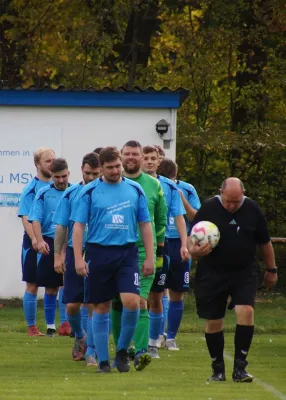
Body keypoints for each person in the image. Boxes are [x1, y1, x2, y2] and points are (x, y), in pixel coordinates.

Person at [71, 146, 154, 373]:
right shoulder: (89, 192)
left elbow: (145, 225)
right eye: (110, 168)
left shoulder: (135, 189)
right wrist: (78, 258)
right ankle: (104, 361)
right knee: (101, 306)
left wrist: (150, 257)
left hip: (127, 253)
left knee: (132, 302)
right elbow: (78, 227)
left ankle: (122, 351)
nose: (116, 171)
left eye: (118, 166)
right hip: (98, 252)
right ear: (101, 169)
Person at [187, 177, 278, 382]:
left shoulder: (252, 209)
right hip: (212, 273)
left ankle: (240, 368)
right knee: (214, 322)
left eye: (236, 202)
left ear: (243, 195)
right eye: (228, 201)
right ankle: (217, 369)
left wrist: (271, 269)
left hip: (243, 272)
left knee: (245, 311)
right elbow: (191, 239)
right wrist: (194, 251)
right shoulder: (209, 208)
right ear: (221, 192)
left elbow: (265, 242)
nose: (231, 206)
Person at [111, 141, 167, 371]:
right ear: (121, 156)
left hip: (143, 252)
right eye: (127, 154)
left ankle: (142, 351)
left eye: (136, 154)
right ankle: (122, 349)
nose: (132, 157)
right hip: (114, 251)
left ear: (143, 157)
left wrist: (157, 255)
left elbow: (161, 221)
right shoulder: (112, 184)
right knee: (117, 302)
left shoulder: (154, 185)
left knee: (140, 300)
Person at [142, 146, 190, 359]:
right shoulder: (131, 184)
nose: (150, 161)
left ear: (158, 162)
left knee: (156, 295)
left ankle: (155, 343)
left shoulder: (169, 187)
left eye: (153, 158)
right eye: (146, 158)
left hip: (163, 247)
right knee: (135, 298)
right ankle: (137, 341)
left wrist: (183, 243)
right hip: (137, 246)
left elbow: (179, 216)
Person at [53, 153, 101, 365]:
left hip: (99, 251)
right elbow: (62, 226)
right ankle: (80, 336)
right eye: (88, 173)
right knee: (72, 305)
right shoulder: (72, 193)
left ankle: (92, 349)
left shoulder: (106, 192)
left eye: (95, 173)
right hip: (74, 252)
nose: (91, 177)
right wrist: (58, 255)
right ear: (81, 169)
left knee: (93, 302)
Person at [156, 158, 200, 350]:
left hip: (181, 245)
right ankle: (157, 335)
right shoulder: (153, 186)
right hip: (161, 242)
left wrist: (181, 197)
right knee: (157, 291)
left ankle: (171, 337)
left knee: (178, 291)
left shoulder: (187, 188)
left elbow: (195, 217)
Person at [28, 158, 70, 337]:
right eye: (56, 177)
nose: (60, 180)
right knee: (51, 287)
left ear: (69, 174)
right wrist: (39, 240)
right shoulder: (43, 193)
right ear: (51, 176)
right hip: (49, 242)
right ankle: (51, 326)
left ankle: (67, 324)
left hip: (69, 243)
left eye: (63, 176)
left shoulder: (75, 191)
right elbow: (35, 219)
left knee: (68, 286)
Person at [18, 147, 55, 336]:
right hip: (33, 241)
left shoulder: (60, 186)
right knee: (32, 284)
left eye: (53, 160)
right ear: (37, 164)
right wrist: (34, 239)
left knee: (54, 285)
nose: (52, 164)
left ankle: (57, 326)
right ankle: (31, 327)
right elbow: (26, 217)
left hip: (54, 240)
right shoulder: (31, 188)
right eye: (48, 161)